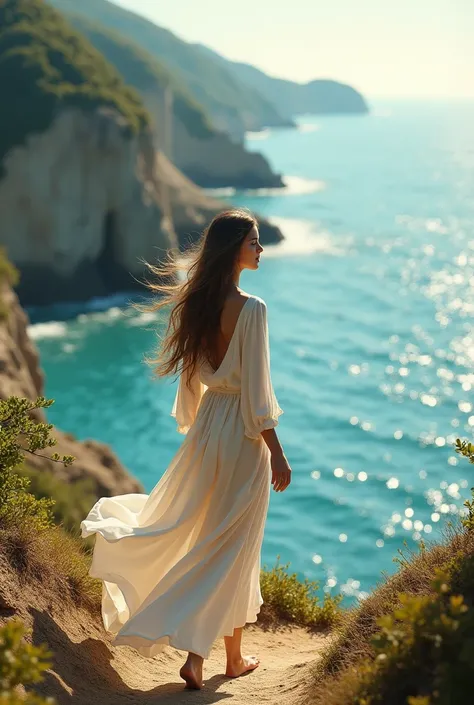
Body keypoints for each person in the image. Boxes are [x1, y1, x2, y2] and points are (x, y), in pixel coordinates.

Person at [80, 208, 292, 690]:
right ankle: (199, 658)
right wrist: (276, 450)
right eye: (254, 241)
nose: (260, 249)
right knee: (233, 547)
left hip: (208, 430)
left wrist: (202, 431)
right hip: (242, 435)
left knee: (216, 541)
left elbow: (191, 381)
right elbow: (258, 394)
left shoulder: (195, 303)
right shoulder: (252, 308)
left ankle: (230, 658)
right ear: (234, 247)